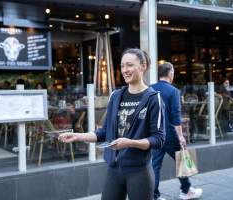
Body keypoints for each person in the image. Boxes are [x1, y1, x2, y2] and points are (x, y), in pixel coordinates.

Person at [59, 48, 165, 200]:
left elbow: (159, 139)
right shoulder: (116, 96)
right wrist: (76, 136)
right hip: (114, 169)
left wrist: (130, 143)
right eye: (122, 66)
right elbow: (104, 133)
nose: (125, 70)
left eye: (129, 65)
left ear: (143, 66)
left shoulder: (154, 98)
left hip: (139, 171)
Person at [151, 62, 202, 200]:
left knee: (154, 165)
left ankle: (154, 195)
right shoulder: (173, 91)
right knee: (181, 161)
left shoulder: (150, 89)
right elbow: (175, 117)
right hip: (169, 134)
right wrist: (181, 136)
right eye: (173, 72)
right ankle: (186, 191)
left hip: (154, 134)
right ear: (170, 73)